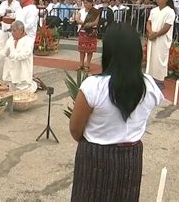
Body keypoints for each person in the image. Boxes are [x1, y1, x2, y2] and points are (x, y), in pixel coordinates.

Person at [69, 23, 163, 201]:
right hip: (130, 158)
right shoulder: (150, 86)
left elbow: (75, 129)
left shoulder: (94, 86)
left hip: (95, 156)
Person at [146, 0, 176, 90]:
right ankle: (150, 78)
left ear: (166, 0)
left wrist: (156, 34)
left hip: (162, 39)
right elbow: (148, 23)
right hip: (152, 37)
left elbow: (167, 27)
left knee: (159, 58)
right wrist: (150, 32)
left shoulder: (170, 11)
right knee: (151, 57)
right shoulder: (153, 10)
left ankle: (159, 81)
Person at [0, 20, 37, 93]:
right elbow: (5, 52)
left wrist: (10, 55)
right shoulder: (10, 40)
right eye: (11, 31)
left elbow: (25, 55)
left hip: (22, 71)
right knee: (12, 93)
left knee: (23, 93)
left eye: (14, 31)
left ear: (21, 30)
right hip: (11, 72)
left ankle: (34, 85)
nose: (12, 33)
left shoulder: (28, 41)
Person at [74, 0, 100, 72]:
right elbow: (77, 19)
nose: (85, 4)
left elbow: (95, 22)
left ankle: (87, 65)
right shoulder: (81, 11)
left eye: (87, 3)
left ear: (91, 3)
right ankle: (81, 64)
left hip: (91, 32)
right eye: (84, 3)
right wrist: (85, 23)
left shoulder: (95, 12)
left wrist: (87, 24)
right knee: (82, 50)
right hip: (82, 32)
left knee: (90, 50)